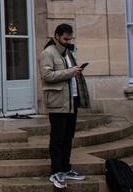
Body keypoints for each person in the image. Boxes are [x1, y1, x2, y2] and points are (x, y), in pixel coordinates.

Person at [40, 23, 91, 189]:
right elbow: (47, 75)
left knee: (68, 137)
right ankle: (56, 171)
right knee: (57, 138)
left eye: (69, 38)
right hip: (57, 101)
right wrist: (71, 72)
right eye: (65, 38)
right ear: (56, 36)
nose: (68, 41)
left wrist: (75, 71)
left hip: (71, 100)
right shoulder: (48, 53)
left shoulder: (68, 52)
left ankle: (66, 167)